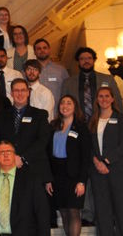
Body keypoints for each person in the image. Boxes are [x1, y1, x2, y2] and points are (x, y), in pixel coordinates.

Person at [0, 140, 50, 235]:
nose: (6, 155)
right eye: (1, 152)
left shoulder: (32, 180)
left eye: (9, 152)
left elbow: (42, 213)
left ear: (15, 155)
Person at [89, 85, 123, 236]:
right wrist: (96, 162)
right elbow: (89, 146)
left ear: (113, 99)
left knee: (122, 214)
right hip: (98, 173)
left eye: (107, 96)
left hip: (118, 171)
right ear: (97, 100)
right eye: (101, 96)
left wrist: (106, 162)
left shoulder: (122, 119)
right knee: (102, 214)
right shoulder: (92, 121)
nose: (104, 99)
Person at [47, 95, 91, 236]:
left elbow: (86, 157)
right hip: (57, 175)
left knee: (73, 211)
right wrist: (48, 178)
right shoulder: (53, 126)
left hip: (74, 175)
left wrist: (82, 181)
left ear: (74, 107)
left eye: (69, 103)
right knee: (64, 212)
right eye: (62, 103)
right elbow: (47, 154)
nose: (65, 106)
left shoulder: (81, 127)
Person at [0, 79, 51, 184]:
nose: (20, 94)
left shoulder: (40, 115)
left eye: (23, 90)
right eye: (16, 90)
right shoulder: (1, 116)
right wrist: (10, 157)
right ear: (11, 93)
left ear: (28, 92)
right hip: (7, 168)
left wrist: (23, 158)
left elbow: (43, 141)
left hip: (33, 168)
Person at [62, 47, 123, 122]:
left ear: (94, 60)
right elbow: (63, 106)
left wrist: (120, 120)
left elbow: (117, 102)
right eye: (82, 59)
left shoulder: (108, 79)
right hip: (78, 124)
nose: (86, 61)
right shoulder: (68, 83)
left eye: (89, 58)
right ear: (78, 62)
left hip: (104, 122)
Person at [34, 38, 69, 110]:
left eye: (44, 48)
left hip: (56, 112)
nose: (42, 50)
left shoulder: (61, 70)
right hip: (36, 112)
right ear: (34, 52)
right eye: (39, 48)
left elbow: (67, 91)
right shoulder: (28, 71)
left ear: (49, 50)